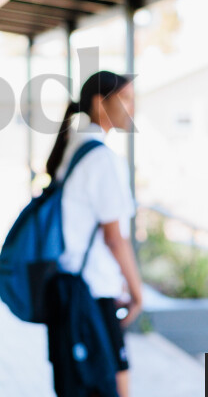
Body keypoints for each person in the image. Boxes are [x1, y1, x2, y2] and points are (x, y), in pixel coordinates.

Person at [45, 71, 142, 397]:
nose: (133, 107)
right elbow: (115, 237)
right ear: (100, 103)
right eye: (126, 98)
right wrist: (137, 291)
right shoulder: (101, 157)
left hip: (69, 289)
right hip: (94, 292)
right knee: (115, 384)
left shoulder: (74, 147)